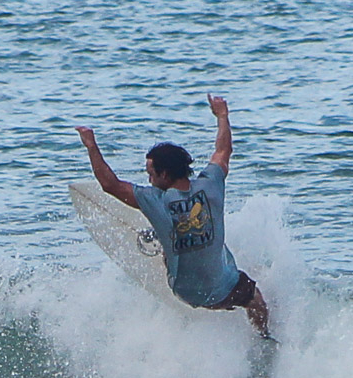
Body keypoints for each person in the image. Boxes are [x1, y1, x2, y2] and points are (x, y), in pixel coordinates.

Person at [75, 94, 270, 338]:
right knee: (255, 299)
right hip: (223, 292)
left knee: (172, 235)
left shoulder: (154, 200)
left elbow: (109, 184)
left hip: (184, 292)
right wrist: (222, 115)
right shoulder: (211, 183)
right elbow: (223, 150)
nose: (149, 180)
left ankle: (163, 245)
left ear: (165, 175)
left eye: (151, 174)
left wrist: (92, 146)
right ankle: (264, 337)